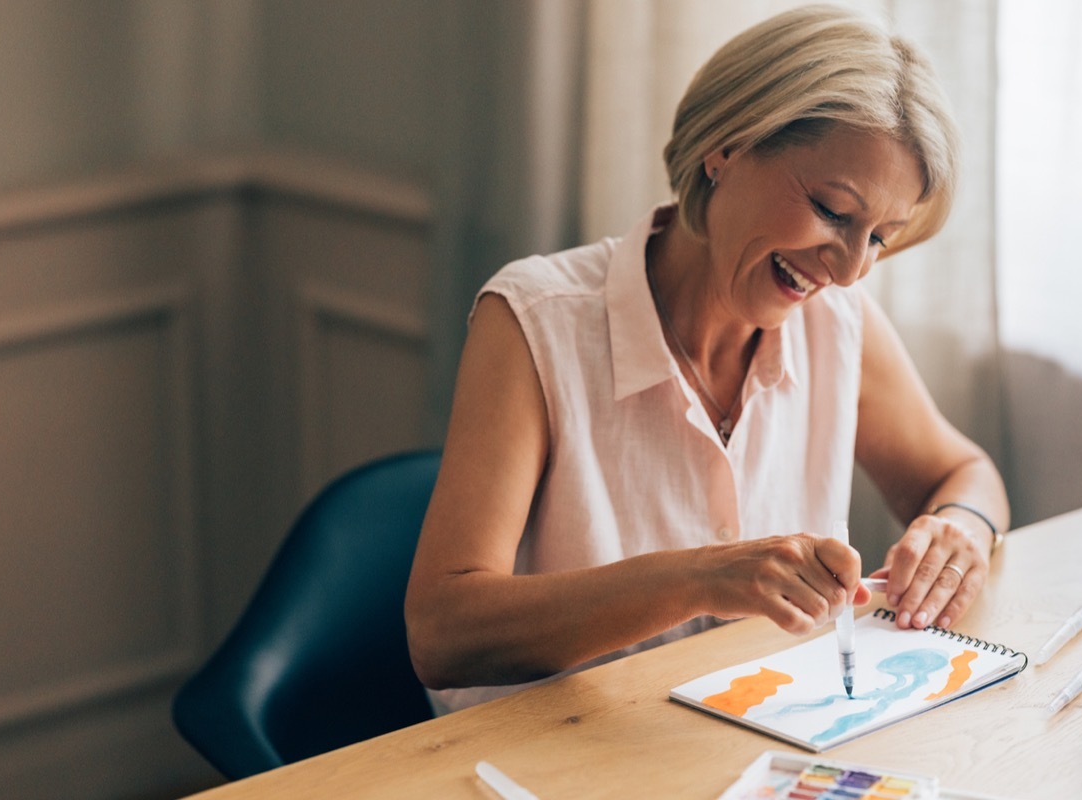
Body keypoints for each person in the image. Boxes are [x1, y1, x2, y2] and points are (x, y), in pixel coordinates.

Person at [404, 4, 1009, 715]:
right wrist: (699, 578)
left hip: (754, 747)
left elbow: (963, 472)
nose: (848, 270)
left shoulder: (838, 321)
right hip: (543, 761)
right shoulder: (535, 320)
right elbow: (442, 632)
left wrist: (961, 531)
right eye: (832, 211)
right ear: (724, 148)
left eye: (880, 237)